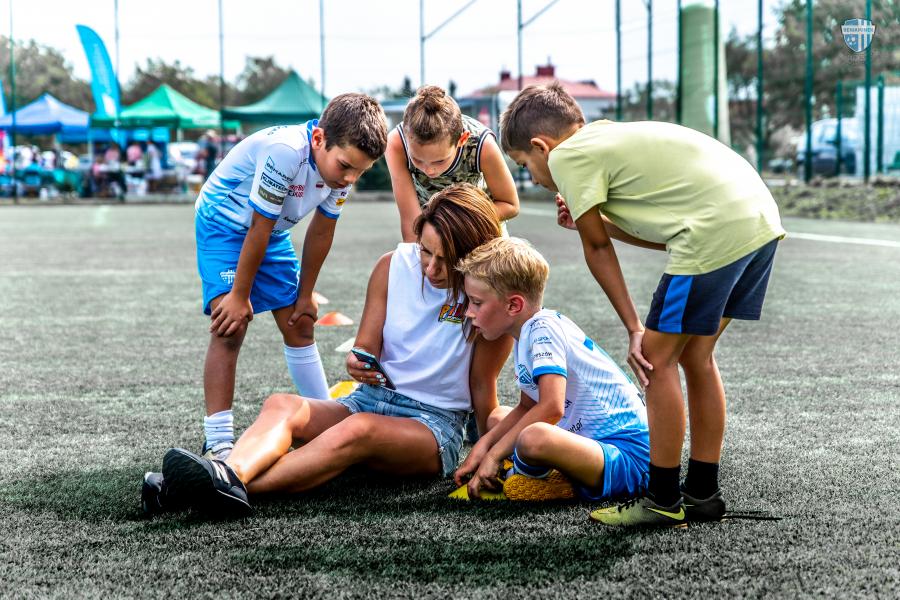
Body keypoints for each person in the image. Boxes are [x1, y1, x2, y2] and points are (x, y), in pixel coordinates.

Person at [499, 83, 784, 527]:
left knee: (654, 357)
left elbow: (597, 249)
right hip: (759, 223)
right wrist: (596, 223)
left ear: (542, 147)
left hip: (715, 231)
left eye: (524, 165)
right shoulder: (605, 137)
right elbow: (665, 230)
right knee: (696, 355)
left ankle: (662, 499)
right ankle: (703, 494)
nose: (533, 177)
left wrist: (634, 327)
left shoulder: (567, 157)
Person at [143, 184, 509, 517]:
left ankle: (192, 490)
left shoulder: (488, 297)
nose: (431, 267)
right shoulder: (392, 265)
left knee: (358, 429)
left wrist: (490, 449)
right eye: (425, 251)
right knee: (282, 404)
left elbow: (482, 386)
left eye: (446, 259)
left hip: (432, 427)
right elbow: (365, 347)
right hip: (367, 400)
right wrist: (357, 361)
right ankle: (227, 475)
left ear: (473, 254)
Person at [188, 93, 388, 463]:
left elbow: (321, 231)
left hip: (272, 231)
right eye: (346, 167)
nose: (349, 178)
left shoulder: (341, 167)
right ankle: (218, 442)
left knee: (300, 322)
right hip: (224, 225)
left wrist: (305, 294)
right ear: (319, 139)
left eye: (359, 172)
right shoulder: (285, 151)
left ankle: (327, 425)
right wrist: (239, 296)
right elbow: (258, 227)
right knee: (230, 325)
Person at [454, 237, 649, 504]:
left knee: (532, 437)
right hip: (587, 443)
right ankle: (546, 470)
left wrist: (495, 455)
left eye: (476, 303)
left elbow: (551, 408)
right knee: (497, 419)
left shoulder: (542, 329)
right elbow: (527, 406)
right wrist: (483, 445)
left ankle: (537, 477)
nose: (468, 312)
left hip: (627, 457)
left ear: (513, 305)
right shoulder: (525, 333)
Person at [385, 85, 519, 242]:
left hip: (479, 230)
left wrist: (457, 224)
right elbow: (411, 224)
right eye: (417, 160)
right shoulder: (396, 144)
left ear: (462, 140)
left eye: (440, 161)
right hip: (431, 233)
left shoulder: (482, 145)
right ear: (406, 138)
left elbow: (510, 205)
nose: (429, 170)